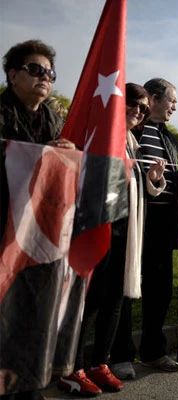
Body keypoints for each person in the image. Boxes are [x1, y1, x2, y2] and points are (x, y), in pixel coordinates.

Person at [59, 84, 166, 395]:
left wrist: (154, 179)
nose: (138, 111)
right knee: (89, 301)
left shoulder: (133, 142)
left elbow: (133, 185)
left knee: (114, 300)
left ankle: (98, 362)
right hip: (96, 228)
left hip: (125, 230)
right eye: (132, 104)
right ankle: (71, 368)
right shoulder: (100, 134)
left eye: (144, 109)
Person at [0, 39, 75, 398]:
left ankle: (28, 382)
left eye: (50, 72)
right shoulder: (1, 111)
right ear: (13, 75)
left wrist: (68, 153)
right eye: (35, 69)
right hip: (4, 229)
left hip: (40, 234)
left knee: (35, 312)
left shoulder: (54, 119)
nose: (45, 77)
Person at [114, 78, 178, 373]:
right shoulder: (131, 130)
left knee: (161, 289)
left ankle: (154, 352)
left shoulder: (171, 139)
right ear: (154, 98)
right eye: (172, 101)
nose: (175, 107)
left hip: (162, 224)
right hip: (133, 219)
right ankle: (120, 356)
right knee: (127, 288)